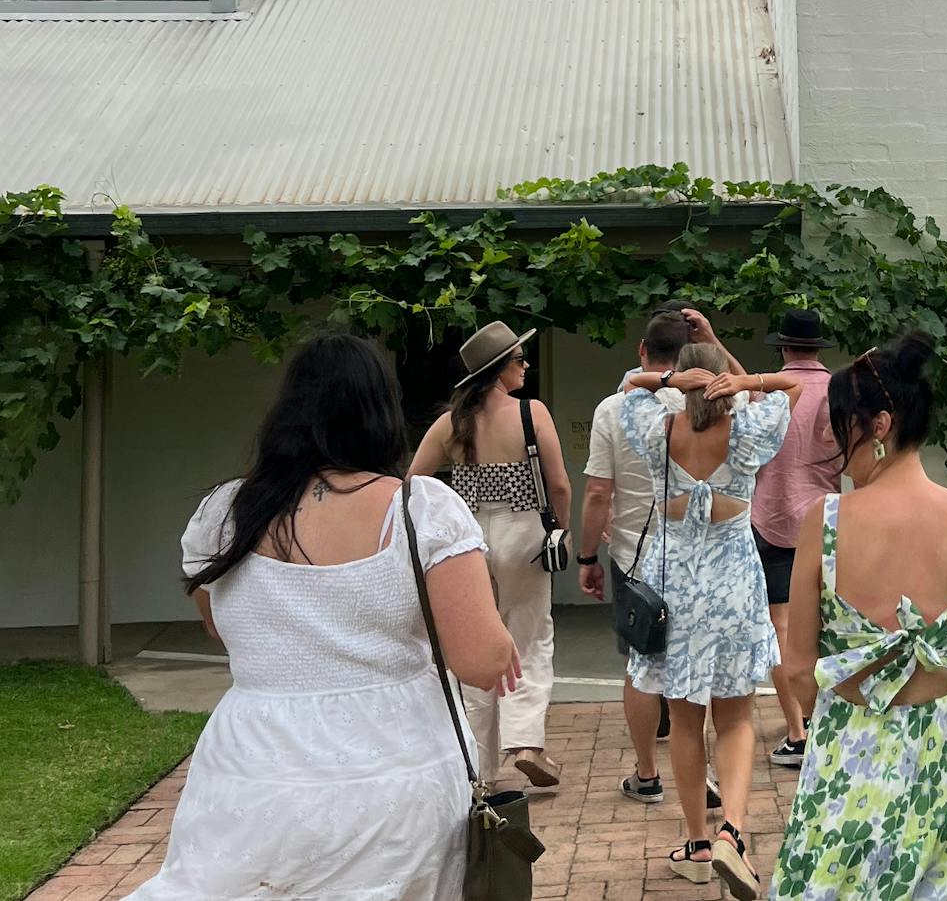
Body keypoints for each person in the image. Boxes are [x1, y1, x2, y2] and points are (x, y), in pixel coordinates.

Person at [127, 331, 518, 900]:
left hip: (252, 762)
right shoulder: (421, 509)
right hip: (394, 760)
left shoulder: (225, 513)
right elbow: (481, 660)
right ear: (381, 412)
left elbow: (222, 624)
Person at [770, 332, 947, 901]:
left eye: (842, 421)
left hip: (851, 749)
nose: (833, 436)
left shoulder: (823, 522)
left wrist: (833, 718)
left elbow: (797, 669)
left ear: (878, 425)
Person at [618, 344, 800, 898]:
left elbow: (630, 384)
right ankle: (734, 833)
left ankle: (697, 843)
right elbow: (788, 388)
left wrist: (668, 377)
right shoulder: (747, 433)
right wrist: (744, 384)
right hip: (733, 584)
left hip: (674, 582)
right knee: (738, 717)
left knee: (685, 717)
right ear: (722, 381)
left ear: (684, 382)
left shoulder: (659, 430)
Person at [410, 320, 571, 787]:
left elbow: (412, 485)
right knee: (531, 636)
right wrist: (559, 529)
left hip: (469, 535)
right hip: (523, 532)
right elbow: (559, 484)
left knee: (478, 644)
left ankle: (480, 768)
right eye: (519, 359)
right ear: (500, 369)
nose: (525, 365)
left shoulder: (450, 423)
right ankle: (524, 741)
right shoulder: (531, 413)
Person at [578, 306, 724, 809]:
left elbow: (599, 493)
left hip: (636, 557)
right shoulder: (713, 403)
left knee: (643, 664)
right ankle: (704, 774)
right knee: (699, 667)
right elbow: (749, 387)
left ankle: (647, 774)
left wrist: (586, 556)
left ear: (642, 351)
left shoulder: (614, 408)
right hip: (700, 555)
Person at [752, 307, 839, 768]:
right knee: (829, 625)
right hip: (828, 521)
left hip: (772, 518)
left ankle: (797, 730)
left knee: (780, 629)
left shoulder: (767, 393)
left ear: (783, 347)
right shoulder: (840, 391)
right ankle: (831, 721)